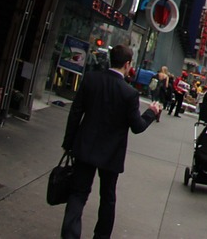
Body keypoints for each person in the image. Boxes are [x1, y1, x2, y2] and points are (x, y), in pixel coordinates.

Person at [60, 44, 162, 239]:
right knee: (107, 198)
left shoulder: (91, 79)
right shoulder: (129, 93)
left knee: (78, 194)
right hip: (111, 153)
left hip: (85, 146)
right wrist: (151, 112)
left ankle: (70, 235)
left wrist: (69, 142)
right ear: (127, 64)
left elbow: (75, 113)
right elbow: (137, 126)